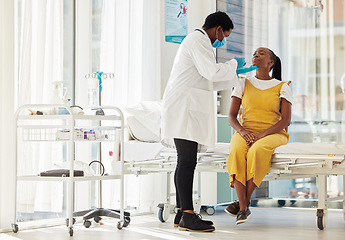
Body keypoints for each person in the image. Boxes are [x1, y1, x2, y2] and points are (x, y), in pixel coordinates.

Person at [161, 11, 257, 232]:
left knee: (184, 161)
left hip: (184, 106)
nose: (222, 41)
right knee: (187, 161)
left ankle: (180, 213)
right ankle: (187, 215)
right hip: (183, 108)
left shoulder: (198, 43)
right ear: (218, 29)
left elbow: (207, 81)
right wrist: (234, 64)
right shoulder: (198, 40)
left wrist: (235, 74)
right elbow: (211, 73)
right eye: (224, 36)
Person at [225, 47, 292, 225]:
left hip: (274, 132)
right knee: (238, 151)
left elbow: (285, 120)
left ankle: (242, 205)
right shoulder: (242, 82)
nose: (256, 54)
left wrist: (262, 134)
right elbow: (231, 116)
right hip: (245, 130)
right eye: (255, 52)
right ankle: (244, 208)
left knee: (257, 150)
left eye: (262, 53)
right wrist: (243, 132)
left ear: (271, 63)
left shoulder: (282, 86)